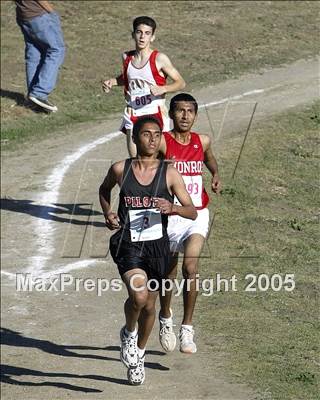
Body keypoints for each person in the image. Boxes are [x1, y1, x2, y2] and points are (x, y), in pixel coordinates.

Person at [99, 116, 197, 385]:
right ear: (135, 138)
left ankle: (138, 355)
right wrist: (108, 212)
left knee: (150, 306)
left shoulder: (170, 173)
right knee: (139, 297)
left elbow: (191, 210)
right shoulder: (120, 169)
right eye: (146, 134)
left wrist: (173, 208)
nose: (153, 139)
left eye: (157, 134)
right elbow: (104, 190)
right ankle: (129, 333)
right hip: (128, 245)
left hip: (157, 248)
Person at [157, 93, 221, 354]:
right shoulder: (162, 141)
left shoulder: (202, 140)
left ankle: (187, 328)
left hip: (197, 212)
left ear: (196, 115)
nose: (185, 116)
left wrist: (215, 173)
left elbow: (209, 158)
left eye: (190, 111)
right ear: (171, 114)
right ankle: (165, 317)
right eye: (180, 111)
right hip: (171, 215)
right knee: (168, 273)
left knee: (191, 267)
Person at [102, 16, 185, 156]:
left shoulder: (159, 59)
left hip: (155, 112)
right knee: (136, 162)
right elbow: (128, 78)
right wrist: (112, 82)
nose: (142, 37)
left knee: (160, 160)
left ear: (152, 37)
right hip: (133, 112)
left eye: (147, 33)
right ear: (133, 34)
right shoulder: (126, 57)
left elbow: (181, 82)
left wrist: (163, 88)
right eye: (139, 32)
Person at [15, 0, 65, 112]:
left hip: (24, 15)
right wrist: (52, 12)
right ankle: (39, 93)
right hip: (38, 15)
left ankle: (32, 99)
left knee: (34, 55)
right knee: (57, 50)